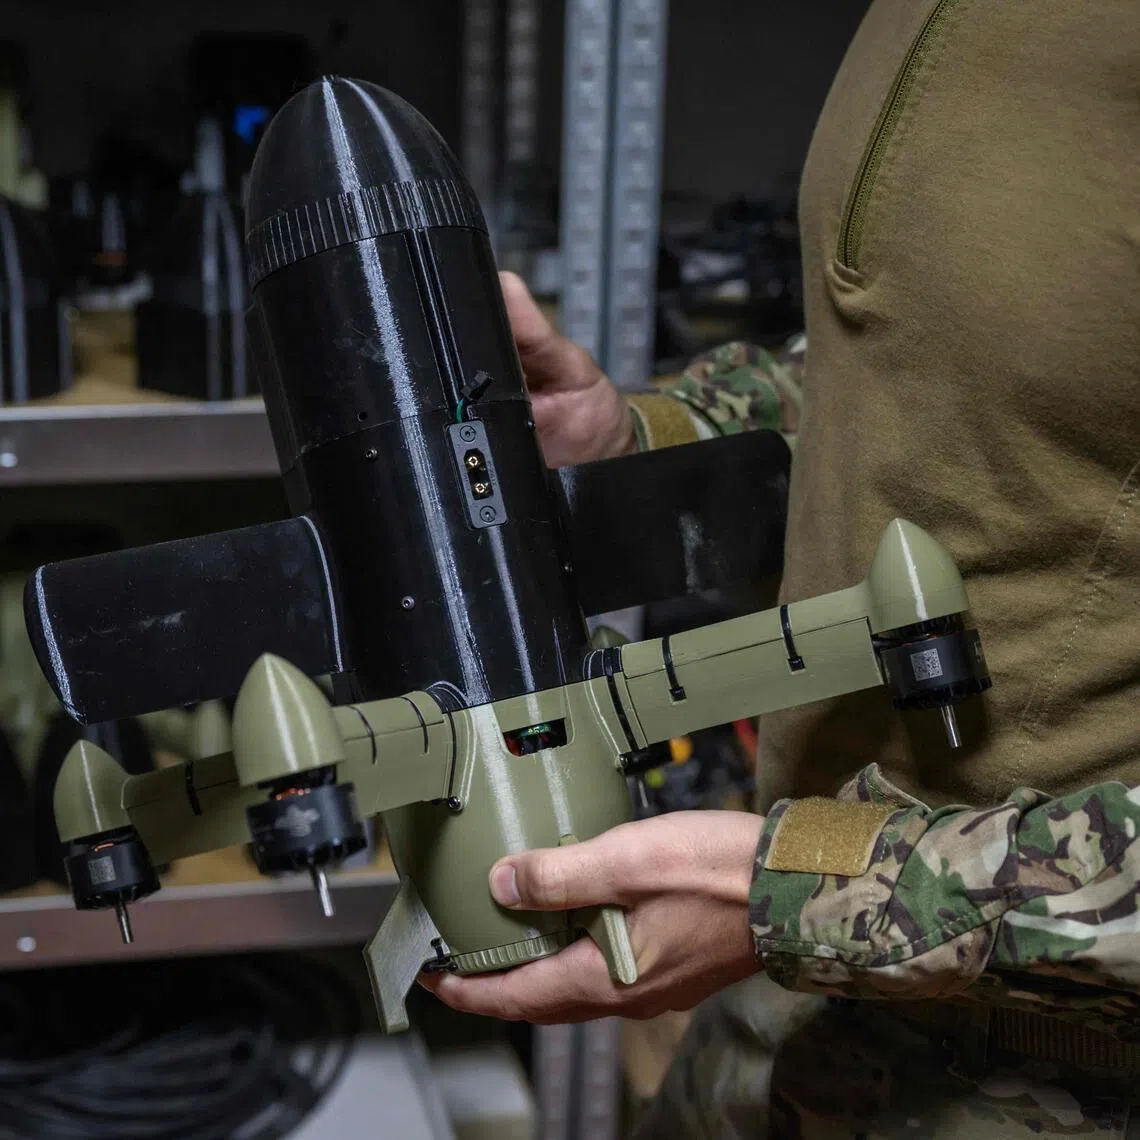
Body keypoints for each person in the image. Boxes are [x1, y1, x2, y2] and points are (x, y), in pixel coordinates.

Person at [421, 2, 1140, 1134]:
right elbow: (936, 380)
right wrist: (649, 442)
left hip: (1060, 1071)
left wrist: (804, 893)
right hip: (809, 1010)